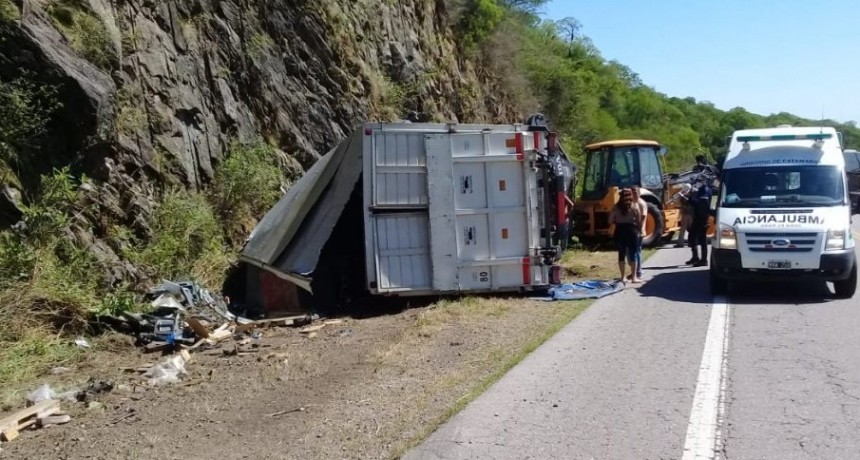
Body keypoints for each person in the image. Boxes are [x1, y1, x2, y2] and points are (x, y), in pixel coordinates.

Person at [609, 188, 642, 284]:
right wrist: (639, 230)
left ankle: (623, 277)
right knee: (633, 254)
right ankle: (634, 277)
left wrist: (617, 221)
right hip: (632, 231)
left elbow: (610, 220)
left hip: (620, 231)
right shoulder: (635, 206)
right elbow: (639, 220)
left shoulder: (616, 207)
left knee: (621, 254)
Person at [686, 180, 712, 267]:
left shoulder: (705, 190)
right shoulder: (701, 190)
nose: (696, 183)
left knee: (702, 239)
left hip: (703, 217)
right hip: (697, 216)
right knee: (692, 237)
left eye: (698, 181)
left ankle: (704, 260)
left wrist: (689, 198)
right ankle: (695, 257)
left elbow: (700, 204)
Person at [629, 186, 648, 280]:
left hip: (639, 230)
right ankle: (635, 270)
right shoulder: (632, 203)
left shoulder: (641, 203)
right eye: (632, 192)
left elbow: (643, 217)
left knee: (637, 251)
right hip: (633, 230)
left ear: (639, 193)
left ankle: (639, 270)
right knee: (634, 251)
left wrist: (640, 229)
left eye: (635, 192)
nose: (633, 194)